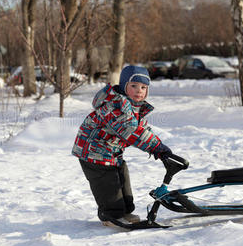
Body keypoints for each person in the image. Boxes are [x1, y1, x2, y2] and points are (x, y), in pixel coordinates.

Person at [72, 65, 173, 226]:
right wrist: (155, 146)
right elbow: (131, 130)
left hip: (111, 152)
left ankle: (124, 210)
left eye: (143, 87)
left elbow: (141, 129)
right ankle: (111, 215)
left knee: (122, 176)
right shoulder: (115, 105)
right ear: (124, 86)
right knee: (108, 183)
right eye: (133, 86)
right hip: (93, 153)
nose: (139, 90)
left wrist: (159, 147)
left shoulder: (133, 106)